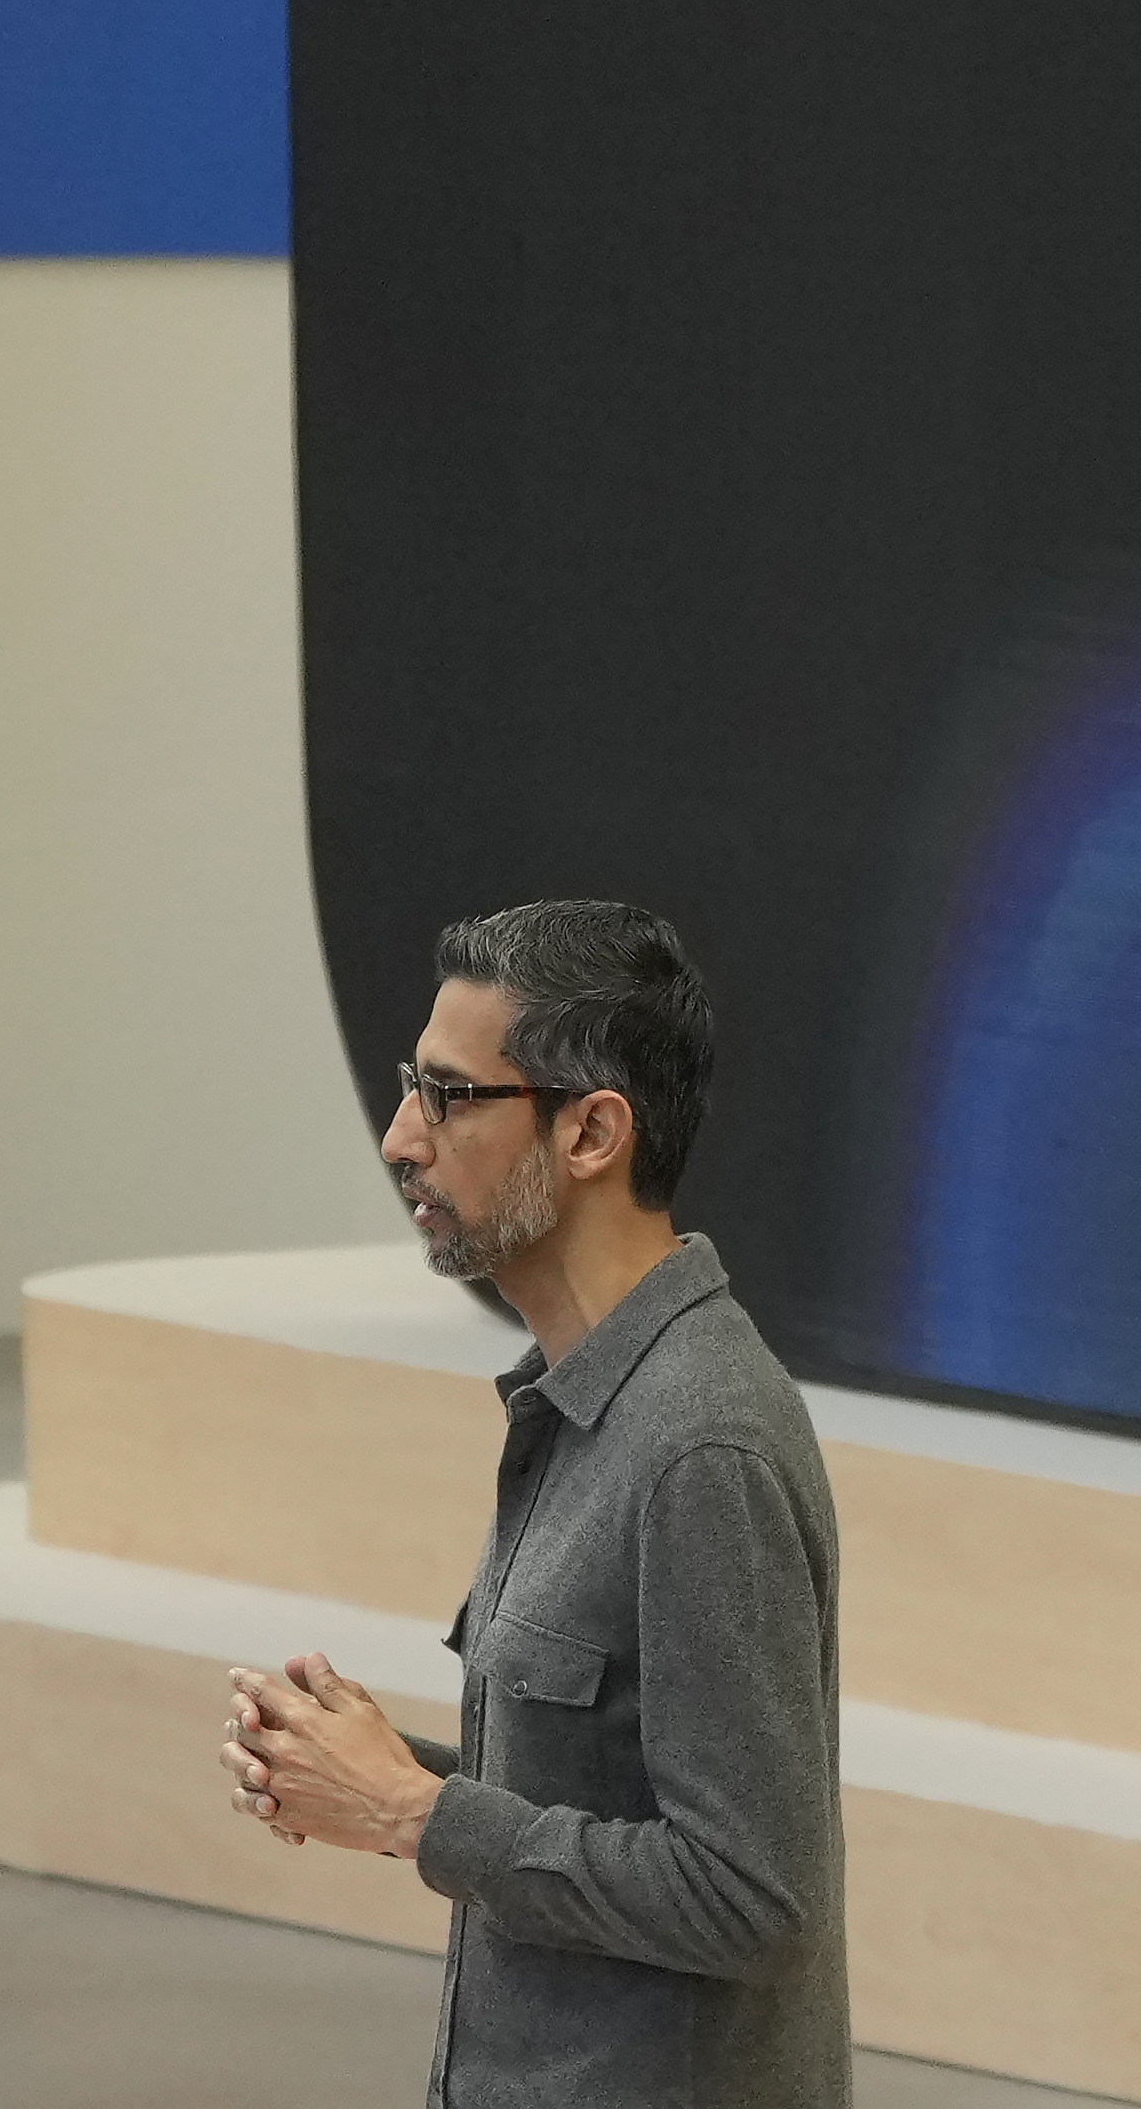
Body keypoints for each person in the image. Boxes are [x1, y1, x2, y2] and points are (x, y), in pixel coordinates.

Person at [222, 899, 847, 2108]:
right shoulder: (578, 1401)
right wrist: (372, 1768)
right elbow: (603, 1797)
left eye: (449, 1096)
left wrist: (414, 1811)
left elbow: (752, 1897)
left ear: (592, 1130)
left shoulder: (699, 1443)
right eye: (413, 1086)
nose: (403, 1136)